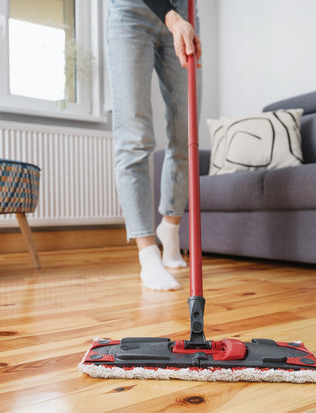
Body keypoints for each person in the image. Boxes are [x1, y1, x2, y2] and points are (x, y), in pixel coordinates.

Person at [106, 0, 201, 291]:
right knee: (135, 137)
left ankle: (169, 229)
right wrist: (172, 19)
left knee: (187, 135)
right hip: (130, 12)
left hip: (184, 11)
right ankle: (148, 255)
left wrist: (180, 17)